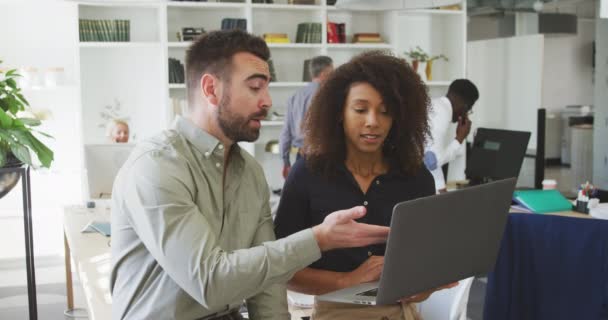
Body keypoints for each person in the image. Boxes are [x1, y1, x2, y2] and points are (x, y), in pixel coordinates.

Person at [110, 29, 390, 320]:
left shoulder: (250, 172)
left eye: (267, 88)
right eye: (255, 88)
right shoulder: (156, 166)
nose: (267, 101)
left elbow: (267, 288)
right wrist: (318, 240)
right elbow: (210, 282)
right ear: (211, 90)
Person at [274, 51, 456, 320]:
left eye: (385, 112)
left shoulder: (416, 177)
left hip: (399, 313)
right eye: (360, 110)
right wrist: (349, 280)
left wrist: (422, 289)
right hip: (336, 313)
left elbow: (424, 268)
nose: (373, 121)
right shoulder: (308, 173)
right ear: (339, 112)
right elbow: (283, 271)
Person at [279, 55, 333, 179]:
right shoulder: (329, 96)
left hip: (301, 157)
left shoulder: (294, 97)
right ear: (325, 73)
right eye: (332, 71)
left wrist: (286, 162)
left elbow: (285, 133)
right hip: (324, 157)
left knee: (303, 196)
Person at [426, 79, 479, 192]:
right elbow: (432, 162)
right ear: (465, 107)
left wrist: (441, 188)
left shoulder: (435, 104)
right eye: (469, 109)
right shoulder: (442, 114)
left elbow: (429, 157)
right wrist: (459, 139)